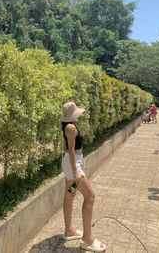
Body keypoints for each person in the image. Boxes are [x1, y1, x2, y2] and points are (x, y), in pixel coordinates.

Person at [61, 101, 106, 252]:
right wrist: (76, 173)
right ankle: (87, 239)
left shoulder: (67, 125)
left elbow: (67, 149)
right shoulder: (71, 127)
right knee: (90, 197)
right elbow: (72, 150)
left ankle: (69, 231)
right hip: (74, 165)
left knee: (70, 194)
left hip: (70, 164)